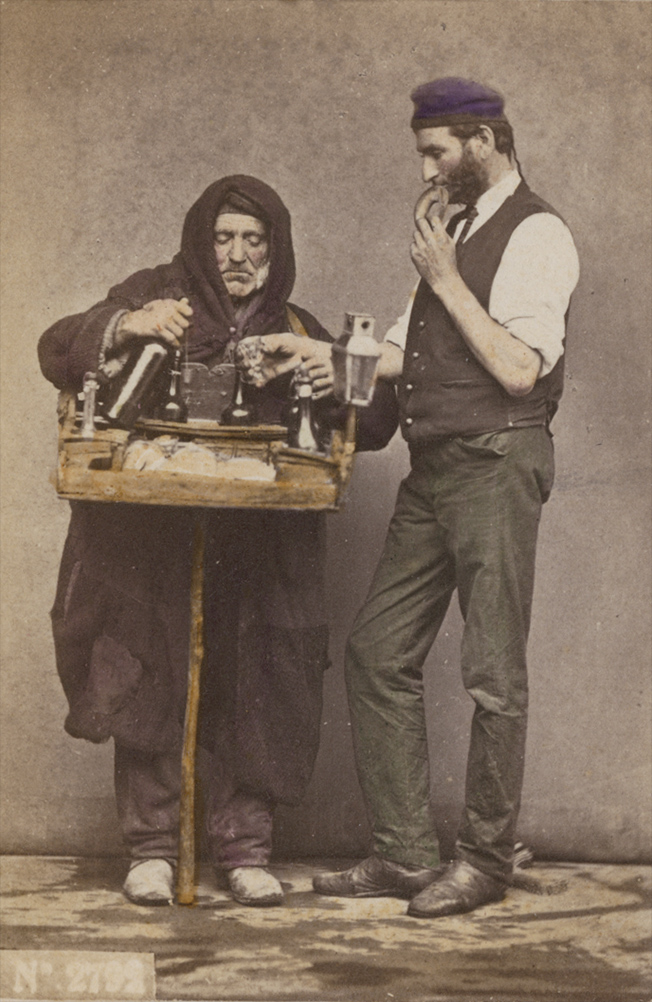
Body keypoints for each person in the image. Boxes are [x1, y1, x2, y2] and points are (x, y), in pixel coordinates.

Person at [38, 175, 398, 907]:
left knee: (257, 681)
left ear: (275, 248)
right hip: (151, 537)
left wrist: (322, 368)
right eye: (223, 238)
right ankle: (152, 849)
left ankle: (244, 849)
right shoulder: (153, 294)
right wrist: (131, 324)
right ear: (203, 242)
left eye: (253, 240)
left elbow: (380, 421)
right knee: (147, 670)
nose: (236, 255)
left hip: (259, 549)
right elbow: (56, 350)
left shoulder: (296, 325)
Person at [313, 78, 580, 917]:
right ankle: (405, 853)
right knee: (377, 649)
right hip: (434, 469)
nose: (425, 168)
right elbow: (401, 351)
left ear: (485, 141)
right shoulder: (452, 229)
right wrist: (312, 355)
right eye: (421, 152)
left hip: (499, 462)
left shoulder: (539, 233)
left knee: (493, 674)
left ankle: (487, 860)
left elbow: (518, 369)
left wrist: (446, 275)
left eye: (437, 152)